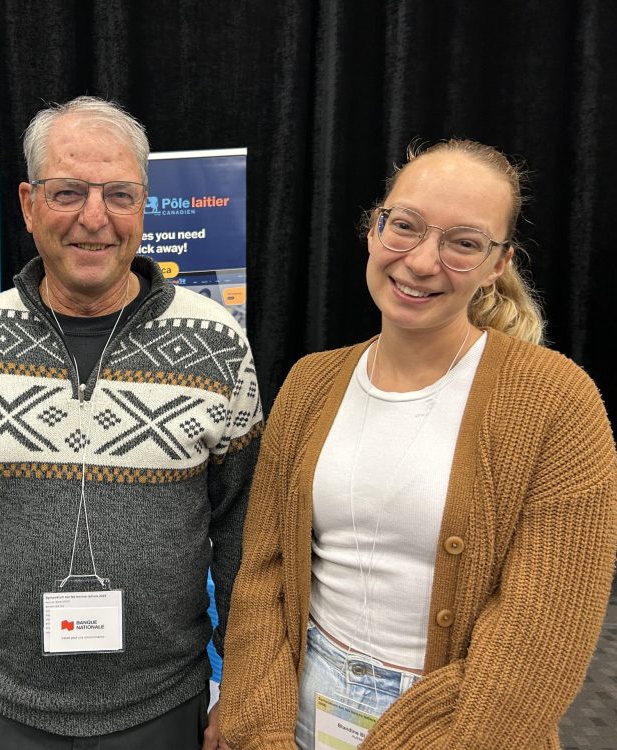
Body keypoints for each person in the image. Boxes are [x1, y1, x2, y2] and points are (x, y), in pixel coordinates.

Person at [220, 139, 617, 749]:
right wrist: (261, 730)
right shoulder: (309, 384)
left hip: (469, 731)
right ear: (374, 229)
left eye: (463, 243)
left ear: (497, 265)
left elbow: (543, 637)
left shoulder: (558, 403)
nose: (422, 261)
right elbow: (263, 580)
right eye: (405, 226)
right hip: (302, 714)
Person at [0, 95, 264, 749]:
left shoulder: (218, 342)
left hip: (162, 710)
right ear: (28, 203)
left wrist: (239, 688)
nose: (95, 219)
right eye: (68, 192)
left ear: (144, 206)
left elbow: (243, 539)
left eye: (118, 194)